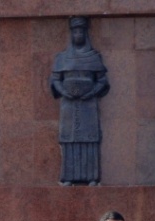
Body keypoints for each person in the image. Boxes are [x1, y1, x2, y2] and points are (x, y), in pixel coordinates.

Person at [50, 16, 109, 186]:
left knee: (89, 139)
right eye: (75, 31)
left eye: (81, 31)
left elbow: (102, 80)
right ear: (71, 34)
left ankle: (92, 176)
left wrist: (91, 91)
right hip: (68, 104)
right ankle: (68, 176)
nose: (78, 35)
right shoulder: (62, 58)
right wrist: (64, 91)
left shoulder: (93, 56)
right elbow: (55, 79)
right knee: (69, 139)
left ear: (85, 34)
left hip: (88, 103)